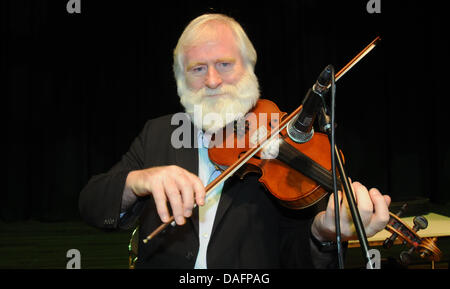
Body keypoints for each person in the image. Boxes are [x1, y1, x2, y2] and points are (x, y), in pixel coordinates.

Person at [79, 13, 391, 269]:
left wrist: (323, 233)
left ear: (248, 67)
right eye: (198, 69)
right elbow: (91, 202)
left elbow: (297, 257)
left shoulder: (283, 146)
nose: (213, 81)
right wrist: (138, 181)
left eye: (225, 64)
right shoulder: (159, 133)